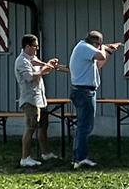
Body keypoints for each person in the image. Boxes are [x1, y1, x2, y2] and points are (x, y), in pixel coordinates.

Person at [67, 29, 122, 169]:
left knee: (83, 126)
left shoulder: (85, 49)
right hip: (83, 92)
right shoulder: (84, 47)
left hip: (84, 91)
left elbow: (98, 65)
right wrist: (104, 48)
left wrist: (108, 51)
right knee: (85, 126)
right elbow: (100, 56)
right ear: (95, 42)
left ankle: (78, 157)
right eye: (99, 44)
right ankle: (80, 158)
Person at [13, 34, 60, 167]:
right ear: (27, 47)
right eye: (35, 46)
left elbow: (40, 66)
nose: (37, 49)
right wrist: (44, 69)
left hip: (40, 98)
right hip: (30, 99)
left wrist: (49, 64)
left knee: (42, 127)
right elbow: (29, 77)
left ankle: (46, 153)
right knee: (30, 128)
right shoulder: (21, 61)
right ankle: (25, 158)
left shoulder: (32, 58)